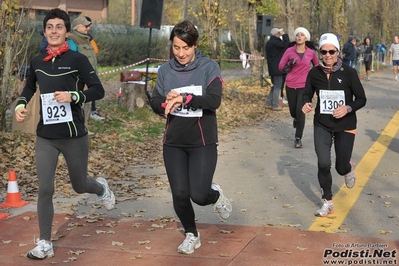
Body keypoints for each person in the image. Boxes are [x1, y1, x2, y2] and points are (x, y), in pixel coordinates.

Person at [14, 8, 115, 260]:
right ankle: (45, 242)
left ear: (66, 32)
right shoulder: (37, 61)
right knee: (45, 188)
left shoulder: (77, 59)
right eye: (50, 27)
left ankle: (100, 188)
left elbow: (98, 90)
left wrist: (74, 96)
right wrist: (20, 104)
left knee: (79, 185)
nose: (54, 31)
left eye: (59, 27)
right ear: (45, 32)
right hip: (46, 136)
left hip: (74, 135)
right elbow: (29, 88)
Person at [150, 20, 232, 255]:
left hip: (202, 141)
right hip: (174, 141)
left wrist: (185, 98)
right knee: (180, 194)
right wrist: (165, 103)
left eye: (186, 48)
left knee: (199, 194)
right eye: (176, 48)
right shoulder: (165, 70)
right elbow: (155, 101)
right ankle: (191, 234)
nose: (181, 53)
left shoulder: (209, 68)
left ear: (195, 45)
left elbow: (214, 100)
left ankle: (215, 195)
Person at [302, 33, 366, 217]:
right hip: (322, 123)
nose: (328, 55)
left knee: (340, 167)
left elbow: (361, 99)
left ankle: (347, 168)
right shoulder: (314, 73)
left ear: (338, 51)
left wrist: (347, 108)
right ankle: (328, 202)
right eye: (324, 51)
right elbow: (307, 93)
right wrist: (305, 103)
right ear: (320, 52)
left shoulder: (349, 72)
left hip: (345, 123)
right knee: (323, 163)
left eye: (332, 51)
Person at [278, 27, 319, 148]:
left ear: (306, 38)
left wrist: (315, 77)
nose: (299, 37)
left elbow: (316, 66)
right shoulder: (289, 51)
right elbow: (280, 67)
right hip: (291, 84)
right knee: (293, 112)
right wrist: (290, 64)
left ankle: (298, 138)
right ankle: (295, 119)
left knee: (300, 112)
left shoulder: (311, 53)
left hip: (304, 86)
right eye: (297, 35)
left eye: (302, 35)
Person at [68, 16, 105, 121]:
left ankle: (88, 116)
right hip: (79, 78)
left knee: (90, 96)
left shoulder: (87, 38)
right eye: (86, 26)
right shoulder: (72, 39)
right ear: (78, 27)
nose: (89, 28)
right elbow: (71, 58)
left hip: (89, 75)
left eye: (89, 26)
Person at [265, 27, 290, 111]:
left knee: (274, 86)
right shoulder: (276, 43)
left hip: (272, 68)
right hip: (277, 68)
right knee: (277, 87)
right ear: (277, 34)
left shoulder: (269, 43)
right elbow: (287, 45)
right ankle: (275, 105)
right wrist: (285, 35)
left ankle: (268, 102)